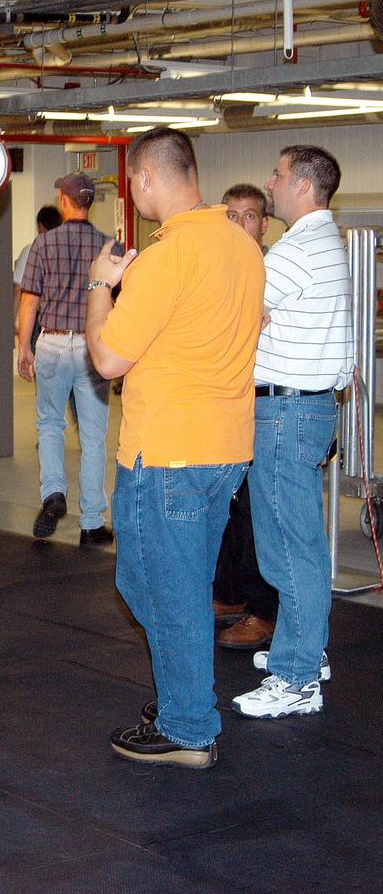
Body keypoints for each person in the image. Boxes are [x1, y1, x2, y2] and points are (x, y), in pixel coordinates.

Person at [85, 127, 264, 769]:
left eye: (133, 181)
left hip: (170, 455)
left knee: (170, 590)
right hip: (224, 450)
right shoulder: (242, 246)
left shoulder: (168, 258)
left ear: (147, 179)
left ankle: (189, 724)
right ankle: (185, 698)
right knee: (156, 582)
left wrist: (102, 286)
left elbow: (106, 357)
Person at [231, 146, 352, 720]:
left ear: (303, 186)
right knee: (295, 544)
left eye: (277, 174)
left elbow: (235, 315)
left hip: (285, 414)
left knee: (286, 549)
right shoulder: (325, 244)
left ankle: (297, 677)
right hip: (306, 409)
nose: (269, 182)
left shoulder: (297, 252)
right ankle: (307, 649)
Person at [17, 174, 119, 546]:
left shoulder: (43, 243)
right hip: (94, 348)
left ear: (63, 199)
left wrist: (24, 347)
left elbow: (30, 300)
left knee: (49, 424)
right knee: (93, 435)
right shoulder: (109, 247)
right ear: (89, 202)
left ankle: (53, 494)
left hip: (54, 344)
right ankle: (92, 522)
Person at [212, 183, 282, 651]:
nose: (240, 224)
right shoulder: (219, 270)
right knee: (228, 504)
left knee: (260, 511)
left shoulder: (273, 268)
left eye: (250, 216)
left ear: (264, 223)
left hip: (268, 403)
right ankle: (231, 594)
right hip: (225, 402)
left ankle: (264, 611)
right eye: (232, 216)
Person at [12, 205, 64, 347]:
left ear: (40, 226)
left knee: (37, 364)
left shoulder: (31, 250)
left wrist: (12, 321)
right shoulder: (67, 252)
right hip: (65, 320)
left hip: (39, 319)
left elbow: (18, 290)